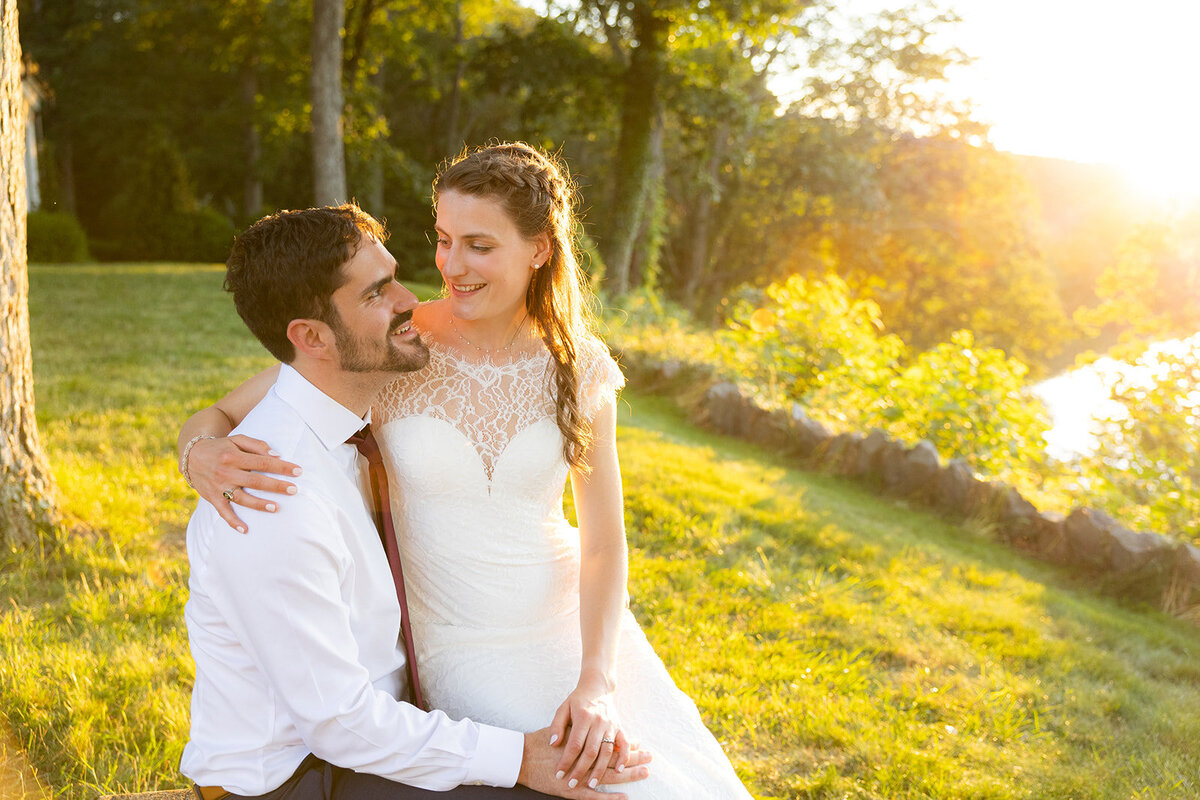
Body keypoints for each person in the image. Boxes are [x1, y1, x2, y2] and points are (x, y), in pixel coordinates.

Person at [179, 143, 754, 799]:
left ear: (539, 247)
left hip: (569, 626)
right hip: (457, 642)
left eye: (479, 245)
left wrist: (596, 680)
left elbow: (603, 543)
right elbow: (224, 413)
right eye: (444, 240)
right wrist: (197, 454)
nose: (452, 266)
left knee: (669, 782)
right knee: (594, 786)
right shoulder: (400, 340)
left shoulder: (580, 366)